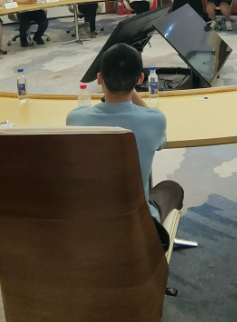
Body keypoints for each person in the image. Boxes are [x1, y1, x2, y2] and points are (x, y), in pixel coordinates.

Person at [66, 44, 183, 226]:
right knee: (172, 189)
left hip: (90, 222)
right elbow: (157, 134)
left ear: (99, 79)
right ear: (140, 79)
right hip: (136, 225)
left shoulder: (75, 119)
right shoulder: (154, 120)